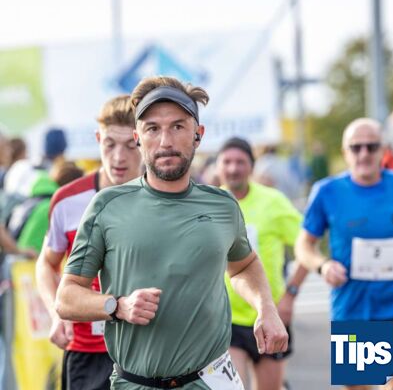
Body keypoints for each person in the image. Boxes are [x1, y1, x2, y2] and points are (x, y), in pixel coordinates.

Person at [55, 76, 288, 390]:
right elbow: (66, 297)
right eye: (153, 128)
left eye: (178, 126)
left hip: (210, 379)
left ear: (198, 134)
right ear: (138, 137)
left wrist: (266, 308)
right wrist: (117, 306)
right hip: (135, 382)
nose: (165, 141)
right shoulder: (107, 206)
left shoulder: (222, 205)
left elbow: (243, 265)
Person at [36, 95, 142, 390]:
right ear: (98, 139)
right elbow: (46, 263)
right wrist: (56, 314)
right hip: (87, 351)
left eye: (130, 145)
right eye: (110, 144)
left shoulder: (163, 196)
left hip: (145, 349)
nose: (119, 157)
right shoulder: (67, 200)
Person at [295, 118, 393, 390]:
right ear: (345, 152)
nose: (364, 154)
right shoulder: (327, 191)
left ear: (383, 149)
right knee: (357, 386)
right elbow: (304, 245)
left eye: (371, 146)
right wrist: (323, 265)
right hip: (354, 306)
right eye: (356, 147)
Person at [216, 137, 307, 390]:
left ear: (252, 166)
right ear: (218, 166)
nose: (233, 168)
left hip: (269, 314)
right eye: (227, 162)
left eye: (240, 162)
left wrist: (290, 295)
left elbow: (306, 246)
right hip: (226, 319)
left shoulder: (272, 201)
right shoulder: (210, 203)